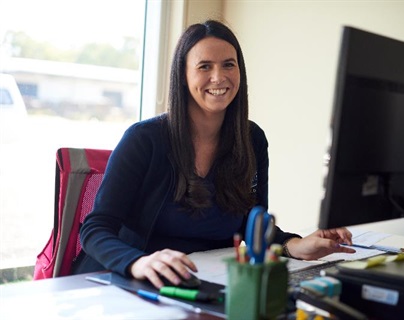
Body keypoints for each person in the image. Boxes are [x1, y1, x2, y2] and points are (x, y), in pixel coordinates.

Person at [73, 20, 355, 288]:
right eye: (204, 66)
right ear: (183, 76)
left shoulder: (251, 139)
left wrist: (294, 245)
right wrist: (138, 262)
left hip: (204, 281)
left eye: (228, 65)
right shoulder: (144, 139)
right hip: (133, 281)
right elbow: (95, 229)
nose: (218, 77)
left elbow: (252, 222)